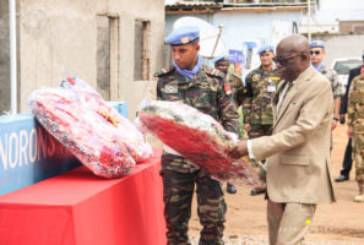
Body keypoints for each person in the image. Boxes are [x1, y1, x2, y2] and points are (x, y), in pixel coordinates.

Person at [229, 34, 335, 244]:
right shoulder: (285, 84)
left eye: (283, 61)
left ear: (304, 58)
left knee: (289, 241)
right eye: (276, 60)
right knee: (277, 240)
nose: (277, 65)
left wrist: (251, 146)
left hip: (304, 181)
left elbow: (301, 131)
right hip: (279, 177)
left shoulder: (318, 86)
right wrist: (264, 170)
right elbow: (280, 130)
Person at [156, 25, 239, 244]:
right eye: (173, 51)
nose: (176, 56)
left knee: (213, 219)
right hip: (176, 162)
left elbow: (230, 117)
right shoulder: (164, 80)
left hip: (209, 160)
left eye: (182, 51)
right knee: (175, 221)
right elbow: (154, 114)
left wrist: (229, 145)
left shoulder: (216, 79)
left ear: (197, 49)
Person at [242, 44, 280, 196]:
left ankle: (274, 182)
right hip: (256, 120)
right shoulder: (252, 75)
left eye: (267, 55)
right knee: (256, 151)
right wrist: (246, 119)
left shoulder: (281, 74)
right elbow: (247, 99)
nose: (265, 58)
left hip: (274, 120)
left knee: (275, 151)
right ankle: (261, 183)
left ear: (273, 55)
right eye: (262, 55)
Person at [213, 54, 244, 194]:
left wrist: (233, 108)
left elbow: (242, 97)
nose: (222, 68)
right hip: (215, 122)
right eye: (220, 65)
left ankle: (230, 182)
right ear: (215, 66)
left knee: (231, 151)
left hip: (230, 121)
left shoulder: (236, 80)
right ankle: (217, 182)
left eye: (225, 65)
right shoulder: (211, 80)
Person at [336, 53, 364, 182]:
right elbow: (348, 94)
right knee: (350, 144)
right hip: (358, 117)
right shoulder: (355, 73)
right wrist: (343, 112)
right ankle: (345, 171)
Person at [310, 40, 341, 133]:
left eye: (317, 52)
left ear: (323, 54)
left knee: (326, 145)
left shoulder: (331, 73)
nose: (314, 55)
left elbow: (337, 95)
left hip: (325, 116)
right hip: (307, 116)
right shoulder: (303, 73)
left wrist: (335, 117)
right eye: (311, 52)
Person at [347, 72, 364, 202]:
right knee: (359, 158)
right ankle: (362, 190)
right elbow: (351, 103)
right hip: (359, 126)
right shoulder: (356, 81)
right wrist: (350, 125)